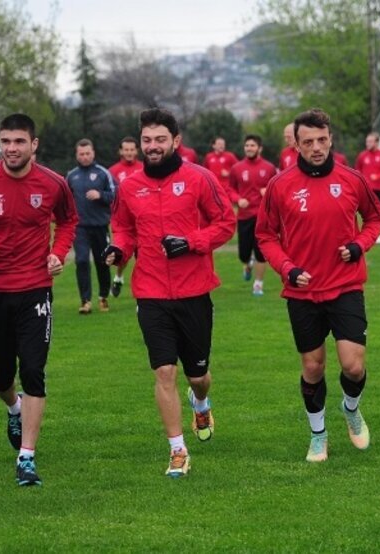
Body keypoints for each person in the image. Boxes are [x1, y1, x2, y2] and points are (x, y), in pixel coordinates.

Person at [104, 108, 236, 478]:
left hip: (194, 290)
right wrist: (118, 250)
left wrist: (192, 242)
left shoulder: (200, 178)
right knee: (164, 371)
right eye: (147, 140)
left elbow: (225, 223)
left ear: (176, 141)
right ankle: (177, 449)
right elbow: (124, 229)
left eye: (160, 139)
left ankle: (202, 401)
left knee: (197, 374)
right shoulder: (129, 186)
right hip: (150, 291)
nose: (152, 146)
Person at [0, 113, 79, 486]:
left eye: (19, 141)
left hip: (36, 288)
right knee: (1, 375)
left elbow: (68, 221)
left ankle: (27, 457)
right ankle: (13, 407)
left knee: (34, 371)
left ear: (33, 145)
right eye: (5, 141)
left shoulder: (54, 184)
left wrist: (58, 252)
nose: (11, 148)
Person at [256, 108, 380, 462]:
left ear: (331, 139)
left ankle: (351, 408)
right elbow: (265, 236)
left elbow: (375, 218)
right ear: (295, 144)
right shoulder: (280, 186)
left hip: (345, 285)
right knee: (312, 367)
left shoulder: (352, 179)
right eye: (308, 141)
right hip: (302, 291)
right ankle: (318, 435)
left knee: (353, 366)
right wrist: (286, 267)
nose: (316, 147)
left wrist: (360, 245)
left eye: (322, 140)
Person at [66, 139, 116, 314]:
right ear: (77, 155)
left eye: (88, 153)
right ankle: (85, 301)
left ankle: (103, 296)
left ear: (93, 153)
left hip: (100, 226)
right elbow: (66, 201)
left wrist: (100, 195)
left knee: (102, 262)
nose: (85, 157)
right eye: (81, 154)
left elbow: (115, 194)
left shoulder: (103, 173)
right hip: (80, 228)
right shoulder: (72, 176)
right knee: (81, 261)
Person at [228, 134, 278, 296]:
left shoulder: (269, 168)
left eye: (252, 146)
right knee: (243, 254)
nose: (249, 148)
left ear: (260, 148)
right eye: (247, 146)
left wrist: (268, 191)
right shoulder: (237, 168)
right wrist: (238, 199)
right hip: (244, 216)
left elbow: (278, 190)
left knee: (261, 253)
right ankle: (248, 264)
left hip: (263, 217)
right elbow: (230, 189)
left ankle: (258, 284)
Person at [108, 136, 144, 298]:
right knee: (122, 255)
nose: (129, 152)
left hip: (143, 222)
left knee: (143, 258)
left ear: (137, 151)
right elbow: (110, 196)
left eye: (132, 149)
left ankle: (144, 293)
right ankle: (119, 277)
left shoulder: (144, 168)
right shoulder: (113, 171)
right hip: (124, 223)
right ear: (121, 151)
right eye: (126, 149)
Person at [354, 132, 380, 244]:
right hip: (366, 190)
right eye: (367, 141)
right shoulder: (362, 156)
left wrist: (378, 176)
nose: (368, 143)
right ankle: (363, 233)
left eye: (370, 141)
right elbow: (357, 171)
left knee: (379, 213)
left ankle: (377, 234)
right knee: (363, 212)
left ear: (377, 142)